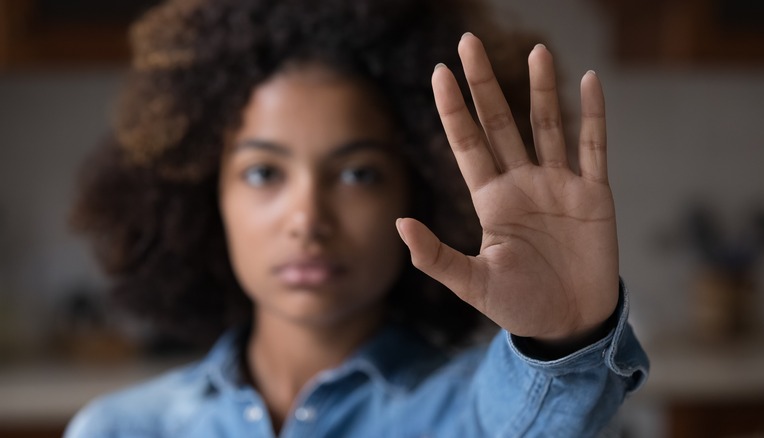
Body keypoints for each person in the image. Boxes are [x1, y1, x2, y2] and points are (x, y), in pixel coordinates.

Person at [65, 0, 648, 436]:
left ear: (418, 190)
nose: (307, 219)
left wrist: (561, 340)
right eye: (264, 173)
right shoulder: (120, 429)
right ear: (203, 195)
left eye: (358, 174)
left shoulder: (473, 411)